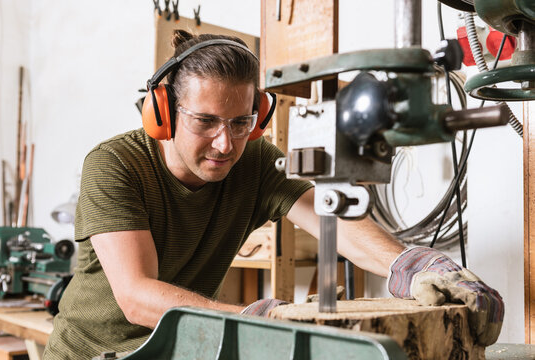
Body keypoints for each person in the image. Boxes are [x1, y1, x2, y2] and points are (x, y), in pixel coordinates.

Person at [43, 30, 504, 359]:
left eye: (241, 122)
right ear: (161, 113)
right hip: (94, 353)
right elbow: (137, 297)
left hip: (185, 346)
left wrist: (409, 264)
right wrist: (255, 314)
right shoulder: (115, 165)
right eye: (205, 121)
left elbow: (328, 215)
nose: (226, 144)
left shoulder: (255, 159)